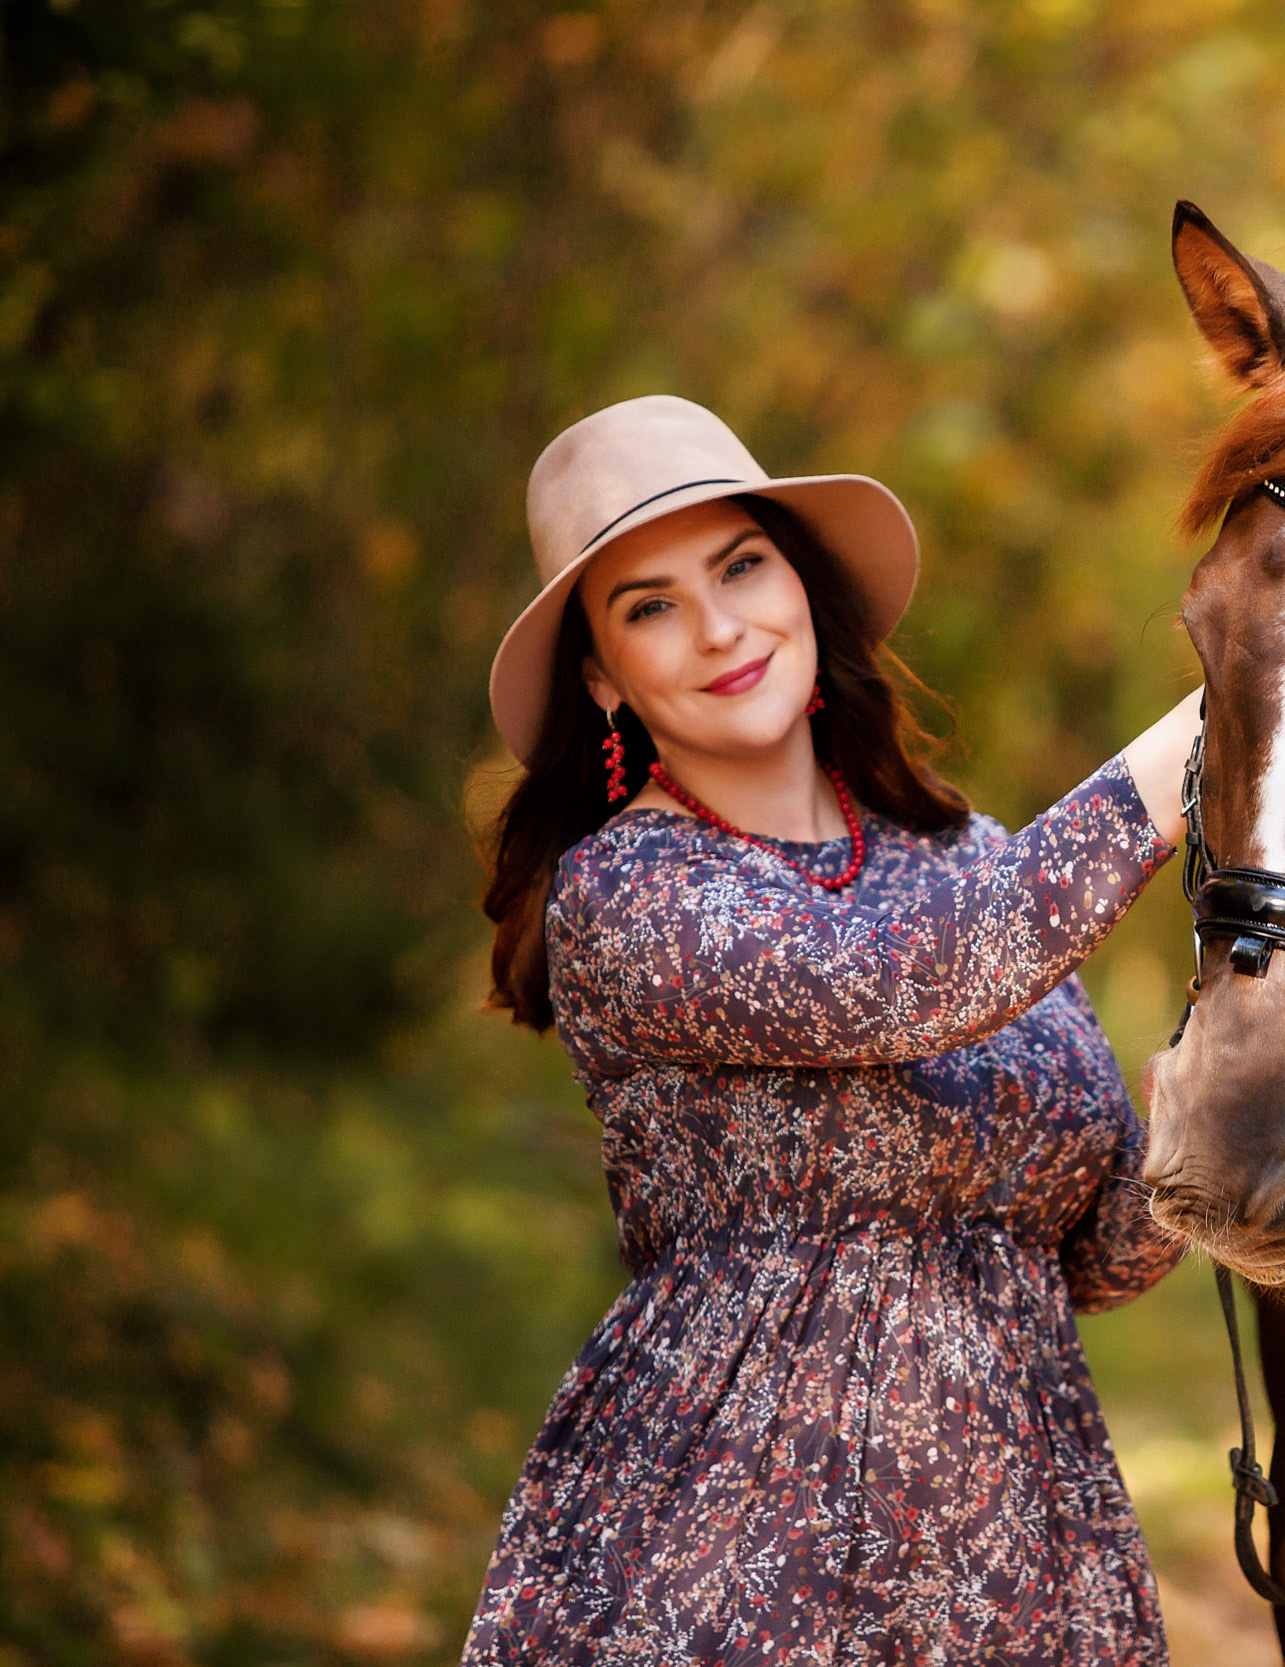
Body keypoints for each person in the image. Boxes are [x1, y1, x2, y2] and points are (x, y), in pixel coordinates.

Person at [466, 394, 1199, 1664]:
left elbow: (1085, 1263)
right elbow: (910, 978)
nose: (718, 626)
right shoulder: (630, 892)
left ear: (800, 584)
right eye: (650, 606)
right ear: (603, 678)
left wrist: (1206, 1110)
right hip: (741, 1569)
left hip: (1022, 1569)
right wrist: (1226, 710)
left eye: (740, 566)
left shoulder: (962, 856)